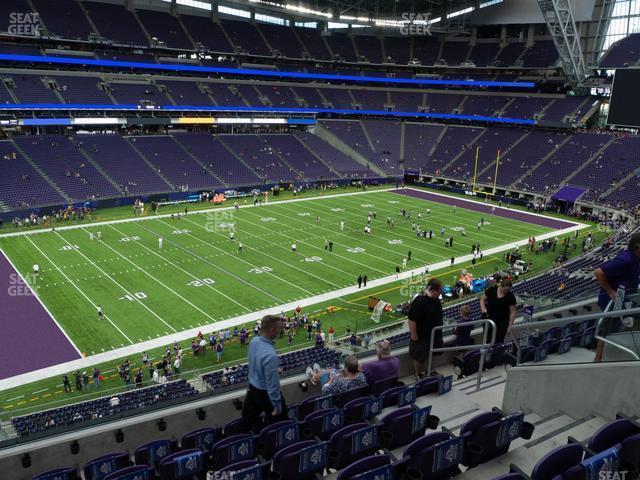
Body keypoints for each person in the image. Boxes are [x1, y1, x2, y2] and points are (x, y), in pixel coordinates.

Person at [593, 232, 640, 361]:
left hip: (626, 297)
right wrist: (610, 291)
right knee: (607, 330)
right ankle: (597, 361)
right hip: (612, 301)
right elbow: (598, 273)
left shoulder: (635, 258)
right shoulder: (625, 260)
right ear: (637, 247)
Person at [237, 315, 287, 433]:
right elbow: (273, 385)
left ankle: (230, 444)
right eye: (278, 328)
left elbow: (253, 362)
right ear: (272, 330)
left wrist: (271, 370)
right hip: (265, 394)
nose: (280, 331)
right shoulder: (270, 356)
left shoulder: (254, 341)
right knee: (280, 426)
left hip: (252, 388)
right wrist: (277, 405)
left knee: (245, 423)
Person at [407, 278, 443, 379]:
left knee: (434, 353)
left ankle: (430, 371)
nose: (440, 293)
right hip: (422, 334)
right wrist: (414, 334)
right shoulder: (419, 301)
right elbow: (411, 319)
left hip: (435, 333)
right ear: (433, 290)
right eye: (440, 291)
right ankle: (418, 374)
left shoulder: (435, 300)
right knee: (419, 356)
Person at [480, 278, 517, 344]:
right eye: (505, 290)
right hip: (489, 320)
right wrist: (483, 308)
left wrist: (510, 326)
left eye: (508, 290)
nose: (506, 292)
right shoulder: (492, 290)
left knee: (498, 341)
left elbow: (512, 312)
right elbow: (482, 300)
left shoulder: (510, 296)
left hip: (502, 323)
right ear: (501, 286)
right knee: (487, 340)